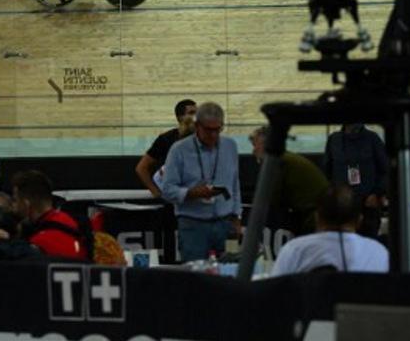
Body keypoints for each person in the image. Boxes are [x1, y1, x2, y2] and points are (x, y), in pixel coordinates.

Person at [159, 102, 242, 263]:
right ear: (197, 126)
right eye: (208, 130)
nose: (213, 135)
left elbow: (234, 184)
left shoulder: (230, 146)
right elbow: (167, 190)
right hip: (193, 226)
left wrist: (237, 219)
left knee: (230, 277)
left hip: (225, 224)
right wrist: (191, 193)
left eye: (217, 129)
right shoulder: (179, 150)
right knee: (195, 278)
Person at [271, 186, 390, 276]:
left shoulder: (293, 250)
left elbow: (277, 295)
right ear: (359, 220)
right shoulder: (378, 252)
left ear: (317, 218)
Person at [251, 126, 329, 236]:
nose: (253, 151)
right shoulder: (285, 158)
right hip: (319, 211)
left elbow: (273, 197)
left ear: (266, 144)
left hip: (315, 215)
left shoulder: (278, 162)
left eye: (255, 145)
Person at [323, 124, 387, 236]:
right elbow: (327, 171)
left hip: (368, 203)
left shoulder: (373, 139)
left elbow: (386, 170)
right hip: (342, 204)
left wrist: (377, 193)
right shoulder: (334, 140)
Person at [11, 170, 87, 261]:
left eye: (15, 200)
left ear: (26, 204)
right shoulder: (68, 222)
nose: (13, 207)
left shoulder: (40, 243)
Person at [135, 99, 198, 197]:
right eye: (191, 113)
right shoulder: (166, 139)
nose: (196, 116)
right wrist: (157, 194)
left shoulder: (204, 139)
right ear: (180, 117)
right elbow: (141, 168)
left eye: (198, 113)